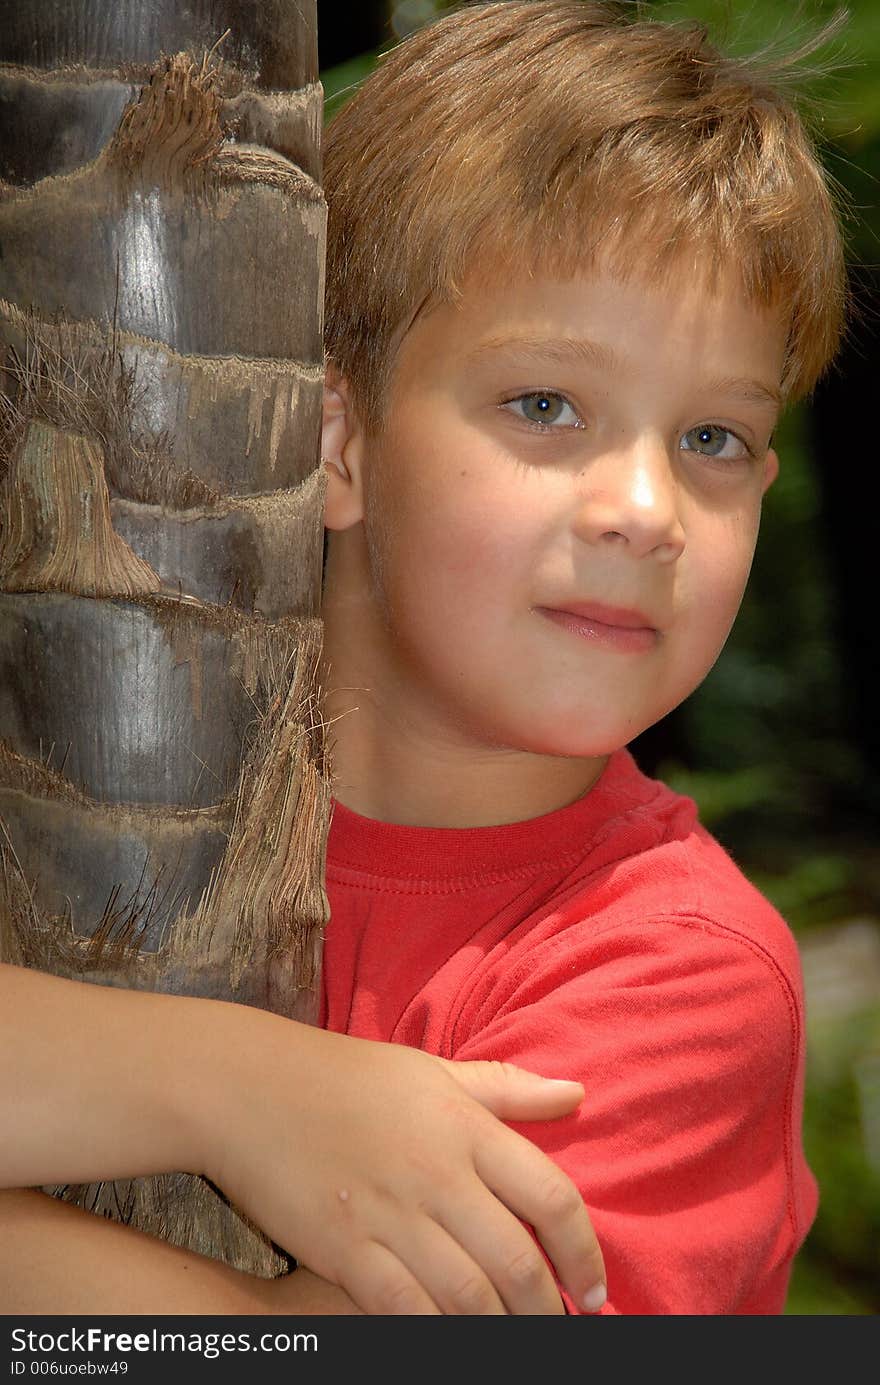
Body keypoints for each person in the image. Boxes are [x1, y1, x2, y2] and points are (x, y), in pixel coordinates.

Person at [0, 0, 846, 1315]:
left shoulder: (680, 976)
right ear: (335, 440)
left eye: (714, 438)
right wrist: (238, 1091)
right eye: (546, 405)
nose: (648, 508)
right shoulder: (54, 757)